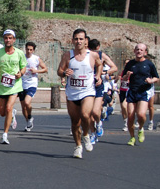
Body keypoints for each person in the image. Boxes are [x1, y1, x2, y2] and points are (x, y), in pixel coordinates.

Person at [56, 28, 102, 159]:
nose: (78, 41)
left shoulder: (92, 55)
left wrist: (98, 76)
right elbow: (59, 71)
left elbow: (99, 65)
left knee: (85, 114)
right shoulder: (67, 55)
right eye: (76, 39)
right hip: (72, 92)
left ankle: (86, 135)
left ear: (86, 41)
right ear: (72, 40)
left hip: (87, 91)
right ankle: (78, 146)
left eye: (81, 39)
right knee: (75, 122)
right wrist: (64, 73)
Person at [0, 29, 27, 144]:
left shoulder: (19, 53)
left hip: (14, 85)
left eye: (10, 38)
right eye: (6, 38)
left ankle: (5, 134)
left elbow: (24, 67)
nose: (8, 40)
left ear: (14, 40)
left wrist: (20, 73)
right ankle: (12, 115)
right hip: (1, 85)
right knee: (2, 112)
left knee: (9, 108)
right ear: (3, 39)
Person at [122, 43, 159, 146]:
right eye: (137, 49)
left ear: (145, 52)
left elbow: (156, 77)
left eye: (141, 50)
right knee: (130, 116)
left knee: (141, 115)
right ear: (134, 51)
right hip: (132, 91)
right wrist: (127, 75)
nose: (139, 51)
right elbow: (123, 78)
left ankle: (141, 128)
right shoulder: (130, 64)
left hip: (143, 91)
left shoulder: (149, 64)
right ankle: (132, 137)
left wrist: (151, 81)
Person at [87, 39, 117, 144]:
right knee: (89, 114)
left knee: (95, 112)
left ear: (98, 48)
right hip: (87, 86)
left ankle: (99, 124)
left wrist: (105, 72)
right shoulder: (86, 55)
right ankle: (92, 134)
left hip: (99, 86)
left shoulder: (102, 55)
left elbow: (114, 67)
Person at [20, 41, 48, 132]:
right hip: (21, 84)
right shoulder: (22, 57)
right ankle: (28, 122)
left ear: (33, 50)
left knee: (27, 102)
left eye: (31, 50)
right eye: (27, 49)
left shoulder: (36, 58)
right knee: (23, 106)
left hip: (32, 83)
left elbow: (45, 69)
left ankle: (30, 116)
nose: (29, 51)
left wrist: (36, 71)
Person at [117, 59, 130, 131]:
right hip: (122, 91)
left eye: (127, 63)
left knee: (125, 106)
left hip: (128, 91)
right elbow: (116, 80)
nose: (126, 64)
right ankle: (125, 123)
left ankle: (128, 123)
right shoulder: (121, 72)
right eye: (125, 63)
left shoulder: (131, 72)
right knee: (123, 108)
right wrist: (117, 78)